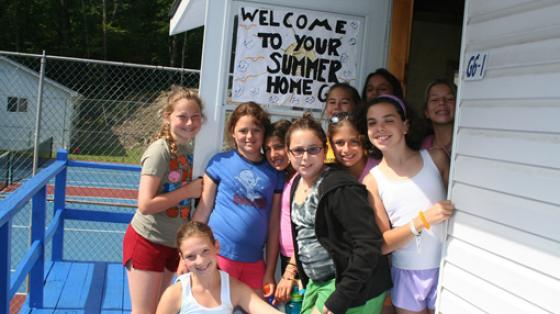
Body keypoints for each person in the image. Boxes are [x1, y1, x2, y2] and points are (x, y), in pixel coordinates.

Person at [285, 113, 392, 314]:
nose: (305, 157)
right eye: (298, 150)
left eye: (313, 149)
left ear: (324, 150)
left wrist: (341, 297)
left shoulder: (341, 188)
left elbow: (368, 244)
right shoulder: (297, 183)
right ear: (288, 153)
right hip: (318, 283)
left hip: (351, 287)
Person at [362, 95, 454, 314]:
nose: (380, 128)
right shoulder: (372, 180)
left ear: (405, 125)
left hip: (448, 265)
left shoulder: (437, 158)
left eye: (388, 120)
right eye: (372, 122)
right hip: (407, 274)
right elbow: (383, 244)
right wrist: (422, 221)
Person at [122, 86, 204, 314]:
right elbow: (145, 204)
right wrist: (188, 191)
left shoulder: (190, 150)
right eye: (182, 116)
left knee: (161, 310)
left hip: (172, 244)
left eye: (195, 117)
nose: (189, 123)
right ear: (168, 117)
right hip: (148, 241)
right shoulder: (160, 151)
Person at [193, 102, 284, 296]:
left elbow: (274, 225)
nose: (249, 136)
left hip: (254, 263)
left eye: (256, 130)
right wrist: (187, 255)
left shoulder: (274, 173)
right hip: (219, 258)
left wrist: (269, 272)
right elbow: (203, 209)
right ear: (233, 132)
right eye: (243, 130)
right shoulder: (219, 162)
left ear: (263, 133)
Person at [156, 221, 282, 314]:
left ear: (216, 247)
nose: (200, 261)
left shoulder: (234, 289)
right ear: (182, 258)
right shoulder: (175, 294)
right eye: (190, 256)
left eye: (205, 251)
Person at [327, 111, 379, 182]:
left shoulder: (380, 171)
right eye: (339, 143)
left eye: (354, 142)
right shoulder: (328, 175)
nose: (346, 149)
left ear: (364, 141)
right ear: (331, 144)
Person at [321, 83, 362, 164]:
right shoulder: (321, 141)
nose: (337, 107)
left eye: (344, 102)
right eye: (332, 102)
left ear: (356, 106)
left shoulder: (362, 140)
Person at [421, 79, 456, 158]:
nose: (442, 102)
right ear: (426, 112)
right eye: (435, 100)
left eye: (449, 99)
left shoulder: (466, 142)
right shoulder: (423, 146)